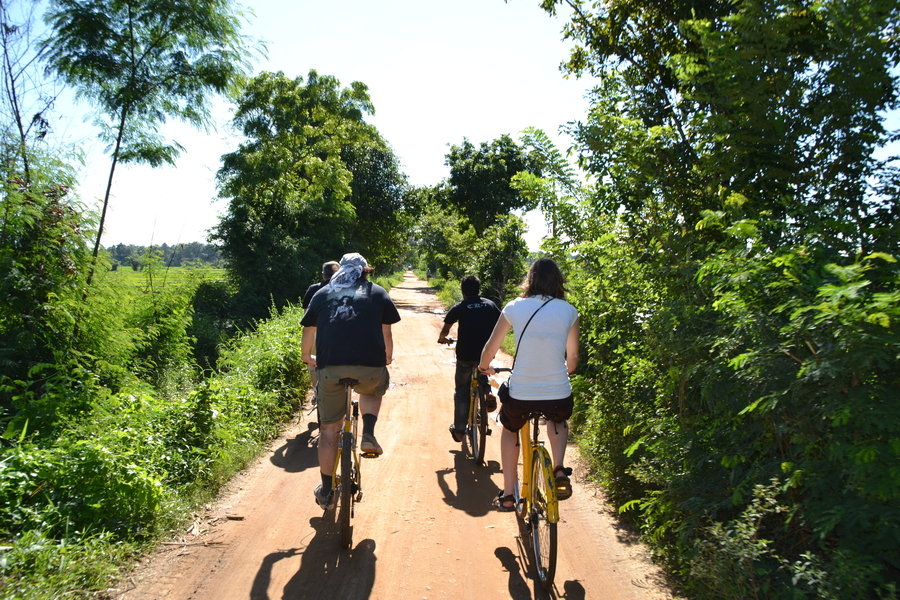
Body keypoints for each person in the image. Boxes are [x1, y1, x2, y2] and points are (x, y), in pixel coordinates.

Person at [301, 252, 401, 509]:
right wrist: (387, 357)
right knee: (371, 390)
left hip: (330, 368)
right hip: (369, 367)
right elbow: (386, 331)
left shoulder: (322, 294)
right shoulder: (377, 293)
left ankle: (326, 489)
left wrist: (306, 357)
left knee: (328, 431)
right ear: (365, 271)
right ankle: (368, 432)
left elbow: (309, 330)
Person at [478, 258, 579, 510]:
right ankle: (558, 469)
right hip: (557, 391)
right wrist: (561, 372)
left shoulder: (514, 307)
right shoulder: (569, 311)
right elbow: (573, 359)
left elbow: (492, 347)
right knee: (557, 420)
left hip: (521, 392)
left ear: (530, 279)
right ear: (558, 281)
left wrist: (483, 367)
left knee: (510, 428)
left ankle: (509, 494)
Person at [437, 275, 500, 443]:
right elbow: (500, 325)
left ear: (463, 290)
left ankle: (459, 430)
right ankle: (487, 391)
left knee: (462, 391)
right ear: (479, 289)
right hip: (485, 352)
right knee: (482, 369)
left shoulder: (461, 306)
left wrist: (443, 337)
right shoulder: (490, 305)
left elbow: (445, 329)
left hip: (465, 353)